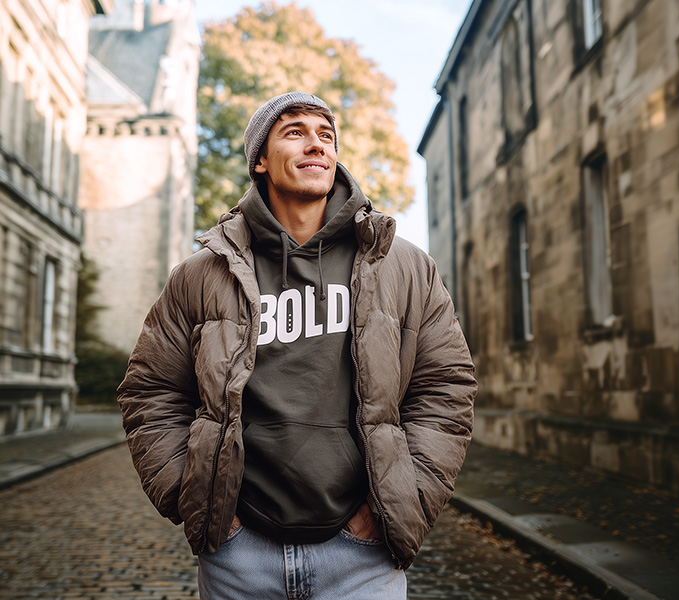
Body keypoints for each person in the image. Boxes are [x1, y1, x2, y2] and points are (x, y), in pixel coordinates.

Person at [117, 91, 476, 599]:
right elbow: (150, 391)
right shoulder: (203, 274)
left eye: (326, 135)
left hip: (364, 559)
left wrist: (401, 499)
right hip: (239, 556)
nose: (317, 145)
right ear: (259, 160)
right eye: (295, 132)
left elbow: (445, 387)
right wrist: (195, 498)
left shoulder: (403, 266)